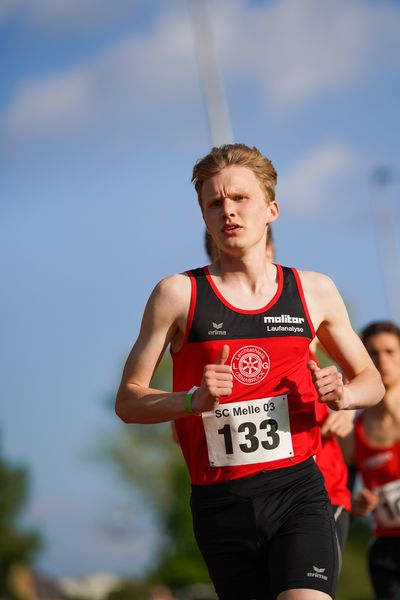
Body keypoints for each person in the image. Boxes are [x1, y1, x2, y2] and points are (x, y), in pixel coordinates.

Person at [115, 143, 384, 600]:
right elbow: (128, 400)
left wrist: (344, 394)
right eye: (215, 203)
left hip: (299, 490)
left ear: (271, 209)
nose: (228, 211)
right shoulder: (177, 295)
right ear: (204, 217)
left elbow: (371, 382)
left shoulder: (313, 291)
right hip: (220, 503)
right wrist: (190, 401)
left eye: (240, 198)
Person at [205, 226, 353, 553]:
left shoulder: (302, 318)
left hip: (319, 491)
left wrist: (350, 406)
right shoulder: (209, 354)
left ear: (270, 253)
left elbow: (362, 380)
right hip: (240, 501)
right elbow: (183, 430)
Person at [345, 321, 400, 600]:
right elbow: (342, 497)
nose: (383, 360)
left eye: (390, 351)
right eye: (373, 353)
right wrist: (356, 506)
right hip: (386, 551)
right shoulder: (354, 430)